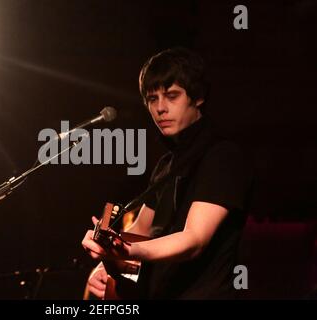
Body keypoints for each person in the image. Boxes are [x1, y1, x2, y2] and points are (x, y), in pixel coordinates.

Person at [82, 47, 253, 299]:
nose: (160, 108)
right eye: (152, 99)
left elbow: (193, 240)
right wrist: (107, 262)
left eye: (171, 96)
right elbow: (139, 231)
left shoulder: (223, 156)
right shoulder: (166, 164)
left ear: (197, 98)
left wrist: (126, 252)